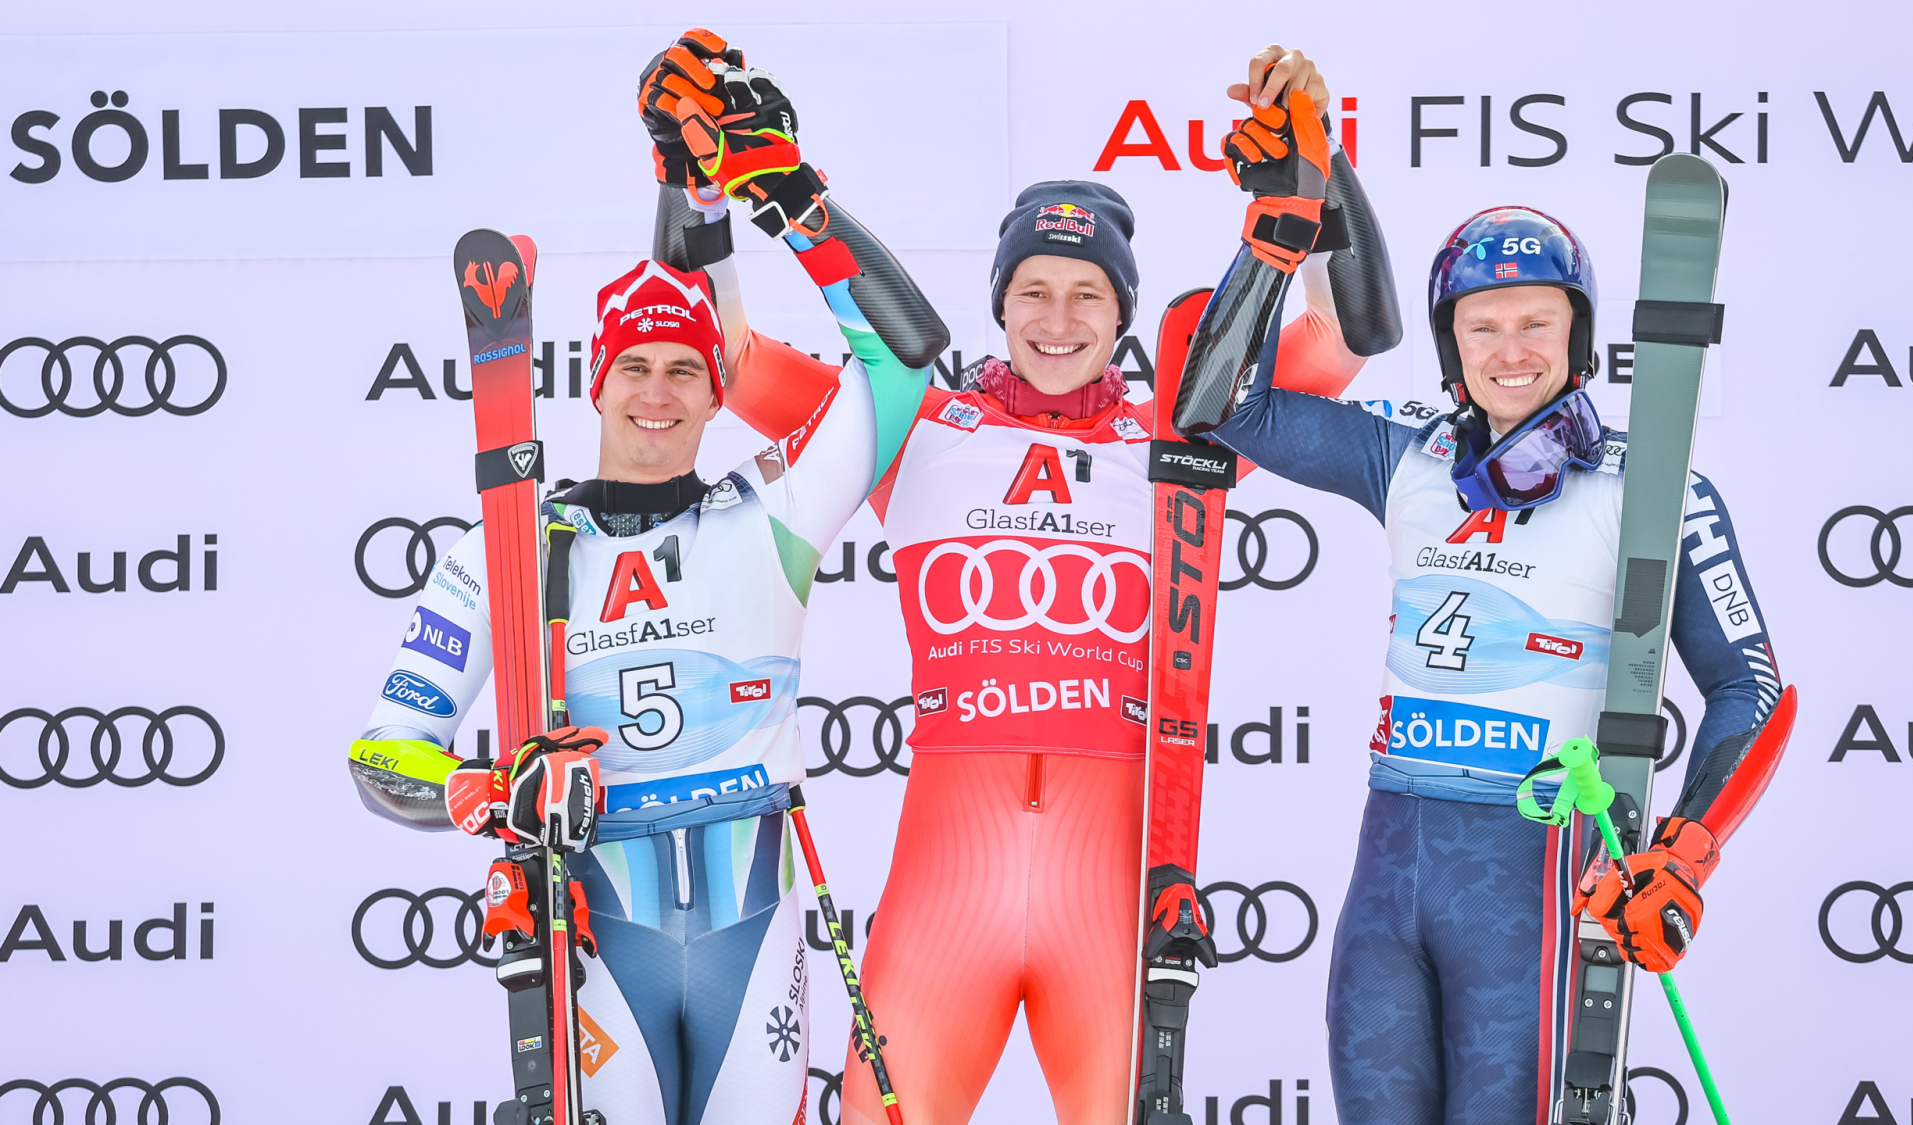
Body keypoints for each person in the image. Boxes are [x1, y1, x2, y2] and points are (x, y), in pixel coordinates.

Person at [664, 44, 1400, 1125]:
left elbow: (1351, 335)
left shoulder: (1183, 433)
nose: (1058, 321)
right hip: (940, 907)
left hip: (1107, 908)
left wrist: (1321, 168)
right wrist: (691, 186)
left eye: (1087, 295)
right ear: (1000, 303)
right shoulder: (912, 424)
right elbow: (720, 356)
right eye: (1033, 293)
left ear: (1123, 314)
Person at [344, 30, 948, 1125]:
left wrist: (794, 204)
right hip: (594, 929)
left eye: (683, 371)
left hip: (753, 932)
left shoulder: (775, 513)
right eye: (635, 368)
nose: (658, 395)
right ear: (597, 384)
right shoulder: (510, 545)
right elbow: (383, 752)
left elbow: (904, 362)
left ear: (718, 394)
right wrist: (483, 795)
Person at [1197, 152, 1797, 1121]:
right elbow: (1220, 408)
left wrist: (1685, 851)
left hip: (1533, 885)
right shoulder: (1403, 453)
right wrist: (1276, 227)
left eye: (1535, 323)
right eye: (1481, 327)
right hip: (1387, 882)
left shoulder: (1650, 488)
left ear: (1578, 336)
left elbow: (1751, 688)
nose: (1508, 349)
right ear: (1450, 347)